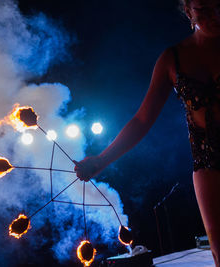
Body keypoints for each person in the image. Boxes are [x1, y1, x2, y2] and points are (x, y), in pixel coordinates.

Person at [74, 0, 220, 265]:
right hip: (210, 167)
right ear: (188, 12)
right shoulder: (172, 59)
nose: (215, 15)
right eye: (204, 10)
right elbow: (142, 120)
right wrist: (101, 161)